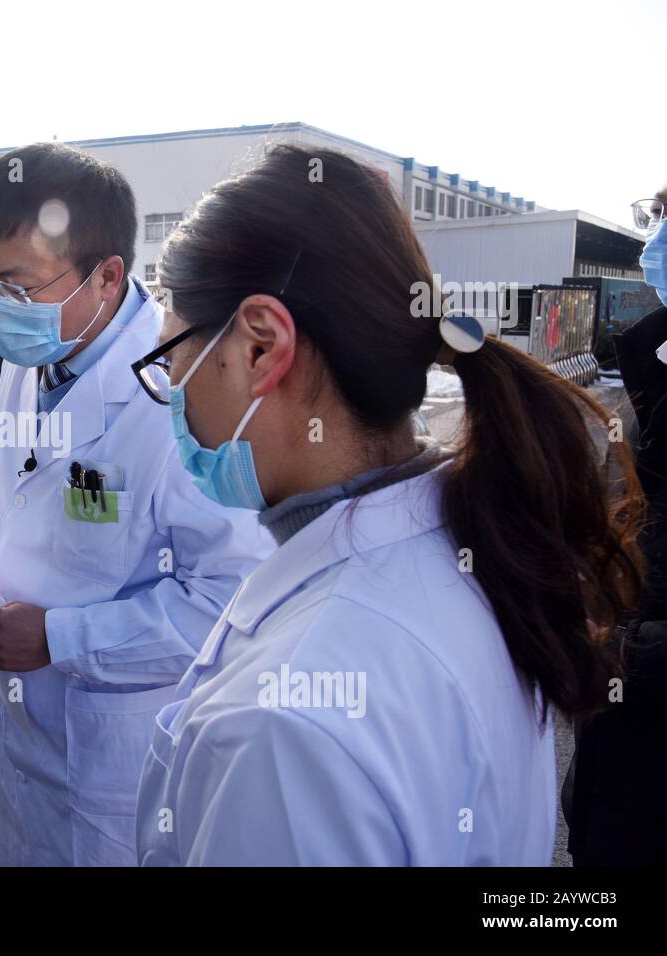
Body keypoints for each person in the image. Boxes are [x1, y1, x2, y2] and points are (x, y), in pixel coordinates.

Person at [132, 145, 644, 866]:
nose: (171, 391)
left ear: (260, 347)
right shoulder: (476, 547)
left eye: (171, 356)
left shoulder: (281, 729)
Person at [0, 143, 272, 866]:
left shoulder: (182, 395)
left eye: (20, 288)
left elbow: (229, 603)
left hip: (122, 757)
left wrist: (62, 638)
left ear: (107, 276)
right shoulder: (34, 362)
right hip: (30, 740)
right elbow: (14, 490)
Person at [562, 186, 667, 865]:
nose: (656, 237)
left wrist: (621, 648)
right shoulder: (652, 372)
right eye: (658, 217)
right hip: (622, 776)